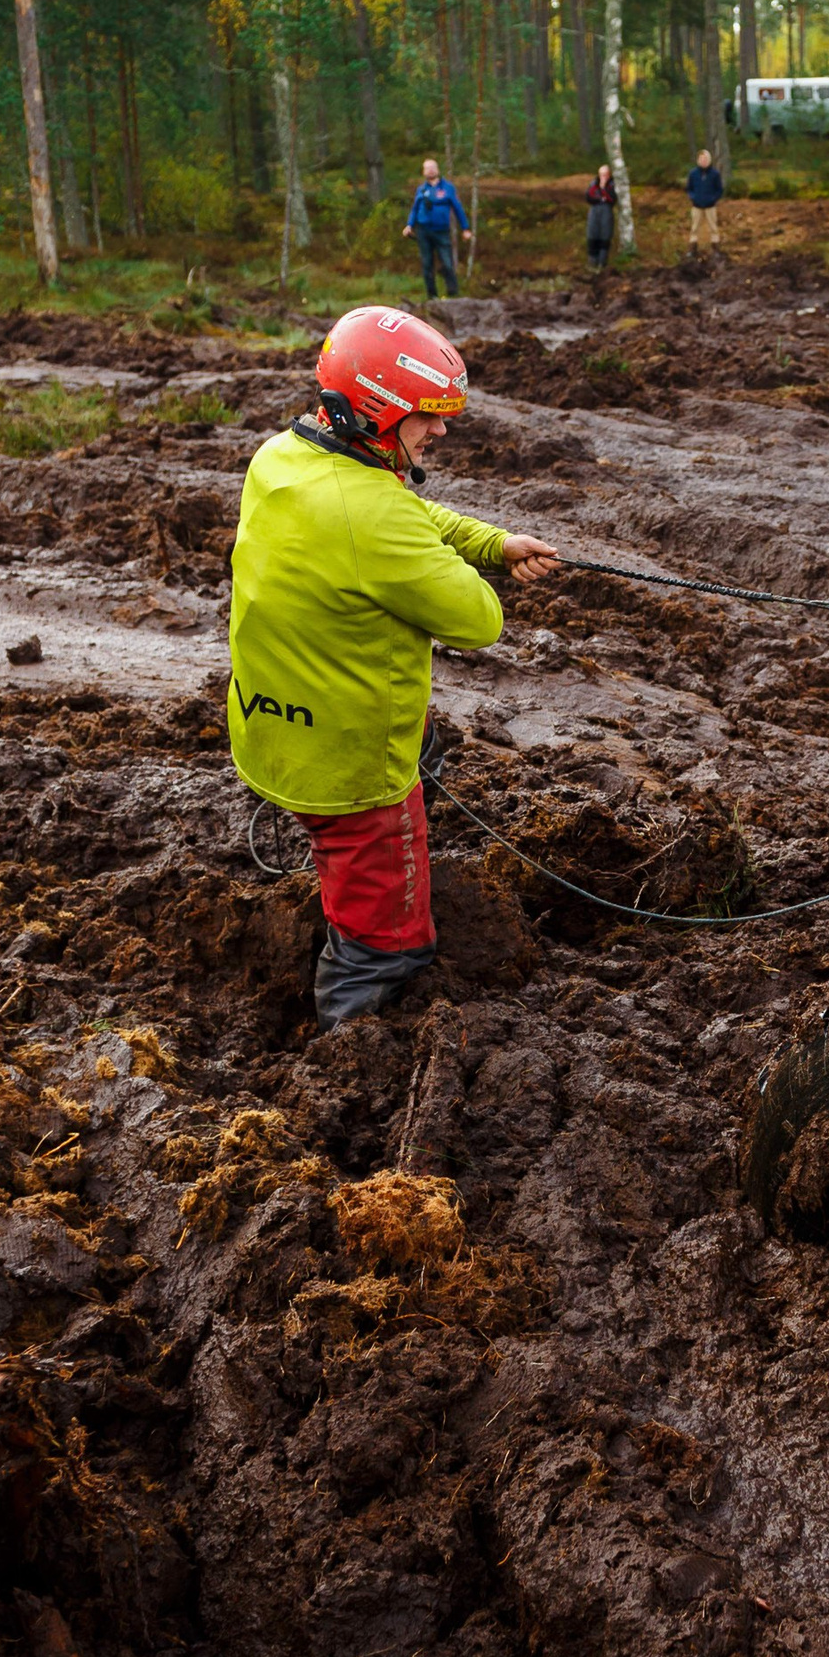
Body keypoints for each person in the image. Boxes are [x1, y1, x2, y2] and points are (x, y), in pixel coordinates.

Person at [228, 306, 563, 1028]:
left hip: (273, 726)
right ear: (379, 412)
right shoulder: (375, 516)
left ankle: (344, 882)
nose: (441, 430)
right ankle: (349, 1049)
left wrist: (493, 541)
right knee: (388, 945)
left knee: (424, 748)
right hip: (352, 770)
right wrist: (467, 567)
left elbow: (393, 515)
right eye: (428, 416)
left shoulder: (281, 459)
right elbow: (479, 619)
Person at [402, 158, 472, 300]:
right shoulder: (421, 190)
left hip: (441, 231)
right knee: (427, 263)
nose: (430, 170)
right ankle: (431, 295)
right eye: (427, 168)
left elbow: (457, 208)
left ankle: (453, 292)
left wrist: (465, 228)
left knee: (447, 261)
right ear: (423, 171)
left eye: (433, 167)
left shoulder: (447, 188)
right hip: (423, 231)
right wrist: (409, 225)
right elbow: (415, 209)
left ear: (438, 169)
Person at [685, 148, 725, 252]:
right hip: (696, 205)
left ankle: (716, 249)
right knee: (694, 228)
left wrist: (713, 199)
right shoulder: (693, 174)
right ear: (698, 160)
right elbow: (689, 189)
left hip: (710, 206)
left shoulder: (715, 174)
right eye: (702, 159)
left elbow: (719, 190)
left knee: (713, 228)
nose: (704, 161)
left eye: (706, 159)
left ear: (709, 160)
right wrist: (693, 197)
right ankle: (692, 249)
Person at [585, 165, 617, 271]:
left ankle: (602, 263)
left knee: (605, 236)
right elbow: (589, 197)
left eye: (605, 175)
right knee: (592, 235)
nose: (603, 177)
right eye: (601, 175)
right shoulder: (593, 183)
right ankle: (592, 262)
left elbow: (612, 199)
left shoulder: (612, 185)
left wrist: (603, 190)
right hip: (594, 211)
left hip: (606, 212)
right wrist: (599, 198)